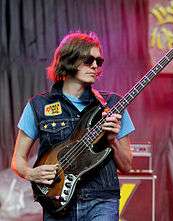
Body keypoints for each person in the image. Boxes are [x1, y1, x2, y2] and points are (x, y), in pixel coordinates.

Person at [11, 32, 135, 221]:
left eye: (98, 61)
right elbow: (17, 160)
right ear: (68, 61)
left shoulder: (112, 105)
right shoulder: (38, 106)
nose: (95, 66)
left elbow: (127, 165)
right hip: (57, 202)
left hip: (101, 201)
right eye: (88, 60)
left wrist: (112, 141)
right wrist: (30, 173)